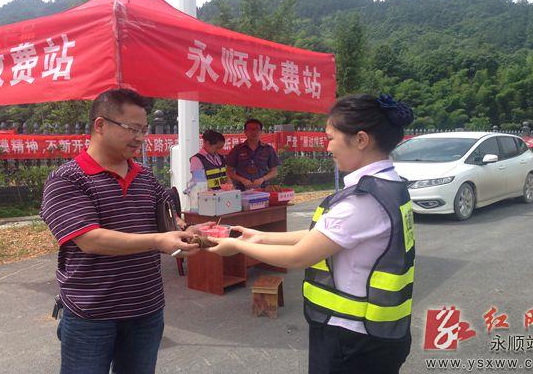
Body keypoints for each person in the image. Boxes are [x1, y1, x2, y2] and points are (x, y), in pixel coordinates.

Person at [209, 94, 415, 374]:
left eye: (331, 138)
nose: (327, 147)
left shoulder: (363, 201)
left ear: (361, 140)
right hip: (376, 332)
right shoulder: (389, 185)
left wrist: (237, 246)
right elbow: (322, 235)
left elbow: (298, 256)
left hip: (352, 337)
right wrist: (258, 236)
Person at [40, 88, 199, 374]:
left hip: (146, 309)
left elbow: (166, 223)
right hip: (91, 314)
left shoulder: (146, 177)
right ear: (100, 125)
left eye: (143, 130)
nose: (140, 138)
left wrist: (185, 232)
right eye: (132, 128)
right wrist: (159, 240)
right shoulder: (67, 179)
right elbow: (90, 240)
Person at [226, 118, 281, 191]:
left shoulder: (268, 149)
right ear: (245, 132)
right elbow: (229, 171)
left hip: (263, 189)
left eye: (256, 129)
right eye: (250, 129)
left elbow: (274, 171)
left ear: (261, 131)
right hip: (241, 189)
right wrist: (242, 180)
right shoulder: (237, 149)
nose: (253, 132)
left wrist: (262, 179)